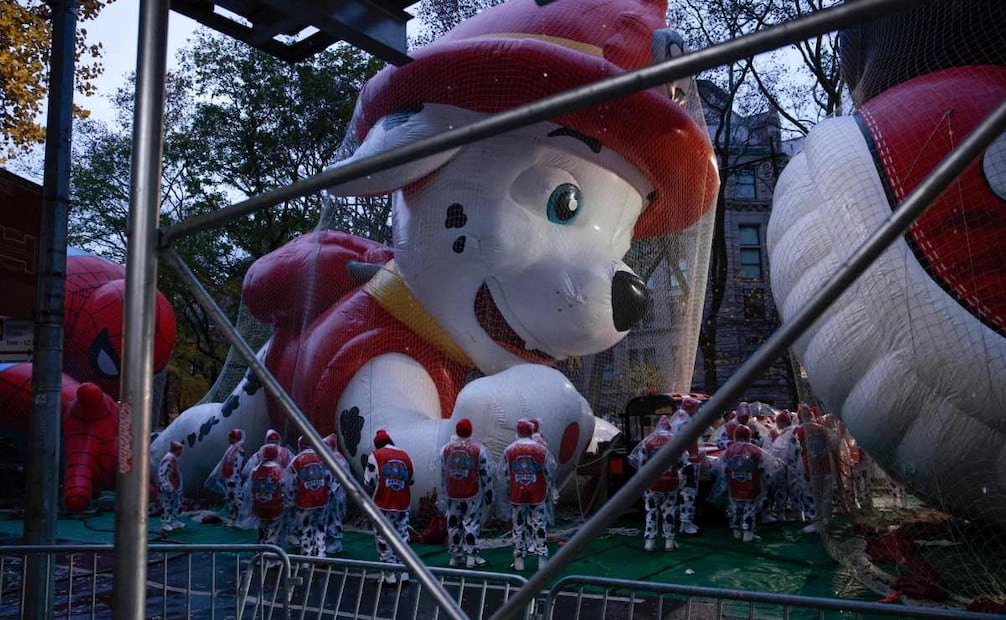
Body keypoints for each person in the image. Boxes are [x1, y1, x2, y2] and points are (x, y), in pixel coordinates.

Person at [499, 419, 556, 571]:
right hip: (538, 494)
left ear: (517, 431)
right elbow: (549, 472)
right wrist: (549, 489)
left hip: (517, 495)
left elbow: (505, 475)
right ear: (531, 431)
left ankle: (518, 561)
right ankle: (542, 560)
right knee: (539, 526)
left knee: (518, 527)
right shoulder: (541, 449)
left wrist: (508, 491)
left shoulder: (509, 450)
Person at [627, 415, 690, 551]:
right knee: (669, 511)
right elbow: (683, 462)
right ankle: (669, 541)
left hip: (653, 484)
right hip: (671, 482)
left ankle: (650, 541)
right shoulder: (676, 441)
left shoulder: (648, 442)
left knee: (651, 511)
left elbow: (641, 464)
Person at [438, 418, 494, 568]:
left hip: (452, 493)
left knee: (454, 524)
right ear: (470, 430)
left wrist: (443, 494)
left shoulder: (445, 449)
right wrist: (489, 493)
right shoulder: (478, 449)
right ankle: (471, 556)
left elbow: (443, 474)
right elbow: (486, 473)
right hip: (472, 492)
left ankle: (455, 556)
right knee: (471, 524)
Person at [364, 429, 415, 584]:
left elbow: (368, 483)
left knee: (383, 538)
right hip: (402, 503)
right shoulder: (405, 456)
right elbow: (411, 480)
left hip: (382, 504)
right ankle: (404, 573)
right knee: (402, 537)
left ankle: (389, 576)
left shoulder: (376, 455)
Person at [284, 436, 334, 557]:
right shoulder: (323, 458)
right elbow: (331, 478)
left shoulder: (296, 461)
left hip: (304, 502)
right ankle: (321, 554)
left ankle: (306, 557)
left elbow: (290, 484)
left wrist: (290, 501)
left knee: (306, 529)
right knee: (321, 527)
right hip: (322, 500)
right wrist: (330, 493)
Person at [722, 426, 768, 542]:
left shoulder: (729, 450)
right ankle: (748, 533)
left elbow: (723, 468)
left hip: (734, 485)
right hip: (751, 486)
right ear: (749, 435)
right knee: (749, 509)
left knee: (735, 508)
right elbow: (764, 468)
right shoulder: (756, 450)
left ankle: (736, 531)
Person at [794, 405, 835, 533]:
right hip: (825, 465)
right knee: (826, 495)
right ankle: (826, 519)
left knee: (814, 496)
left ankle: (817, 522)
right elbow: (832, 444)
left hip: (811, 468)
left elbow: (795, 451)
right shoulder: (821, 429)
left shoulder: (799, 431)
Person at [669, 396, 703, 535]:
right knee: (688, 493)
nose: (698, 410)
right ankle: (686, 524)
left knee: (684, 493)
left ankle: (684, 522)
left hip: (684, 462)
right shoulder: (684, 422)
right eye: (697, 408)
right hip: (687, 464)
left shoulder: (679, 419)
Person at [205, 428, 247, 527]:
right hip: (228, 478)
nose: (229, 439)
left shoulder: (239, 449)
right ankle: (234, 519)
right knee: (230, 499)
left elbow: (237, 465)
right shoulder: (232, 448)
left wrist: (233, 478)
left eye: (231, 437)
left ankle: (244, 518)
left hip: (234, 480)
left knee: (237, 499)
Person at [766, 410, 802, 522]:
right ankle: (798, 516)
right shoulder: (790, 432)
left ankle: (784, 516)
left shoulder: (788, 434)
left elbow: (785, 452)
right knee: (794, 493)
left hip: (786, 468)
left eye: (777, 422)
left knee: (784, 492)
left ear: (781, 422)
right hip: (792, 468)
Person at [248, 444, 286, 547]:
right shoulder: (279, 470)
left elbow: (250, 489)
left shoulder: (255, 470)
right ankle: (270, 559)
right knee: (273, 533)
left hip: (260, 507)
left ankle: (260, 554)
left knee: (262, 531)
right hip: (275, 508)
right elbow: (284, 488)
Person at [321, 434, 349, 555]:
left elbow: (342, 478)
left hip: (337, 495)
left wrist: (333, 490)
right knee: (328, 519)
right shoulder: (326, 458)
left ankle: (336, 543)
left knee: (335, 519)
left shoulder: (339, 459)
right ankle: (328, 542)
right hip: (328, 495)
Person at [157, 441, 186, 533]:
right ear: (176, 450)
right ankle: (165, 523)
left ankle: (175, 521)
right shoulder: (168, 459)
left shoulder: (173, 458)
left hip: (174, 487)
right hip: (169, 487)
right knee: (167, 505)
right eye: (180, 450)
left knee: (175, 504)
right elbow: (162, 473)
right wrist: (165, 484)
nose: (181, 452)